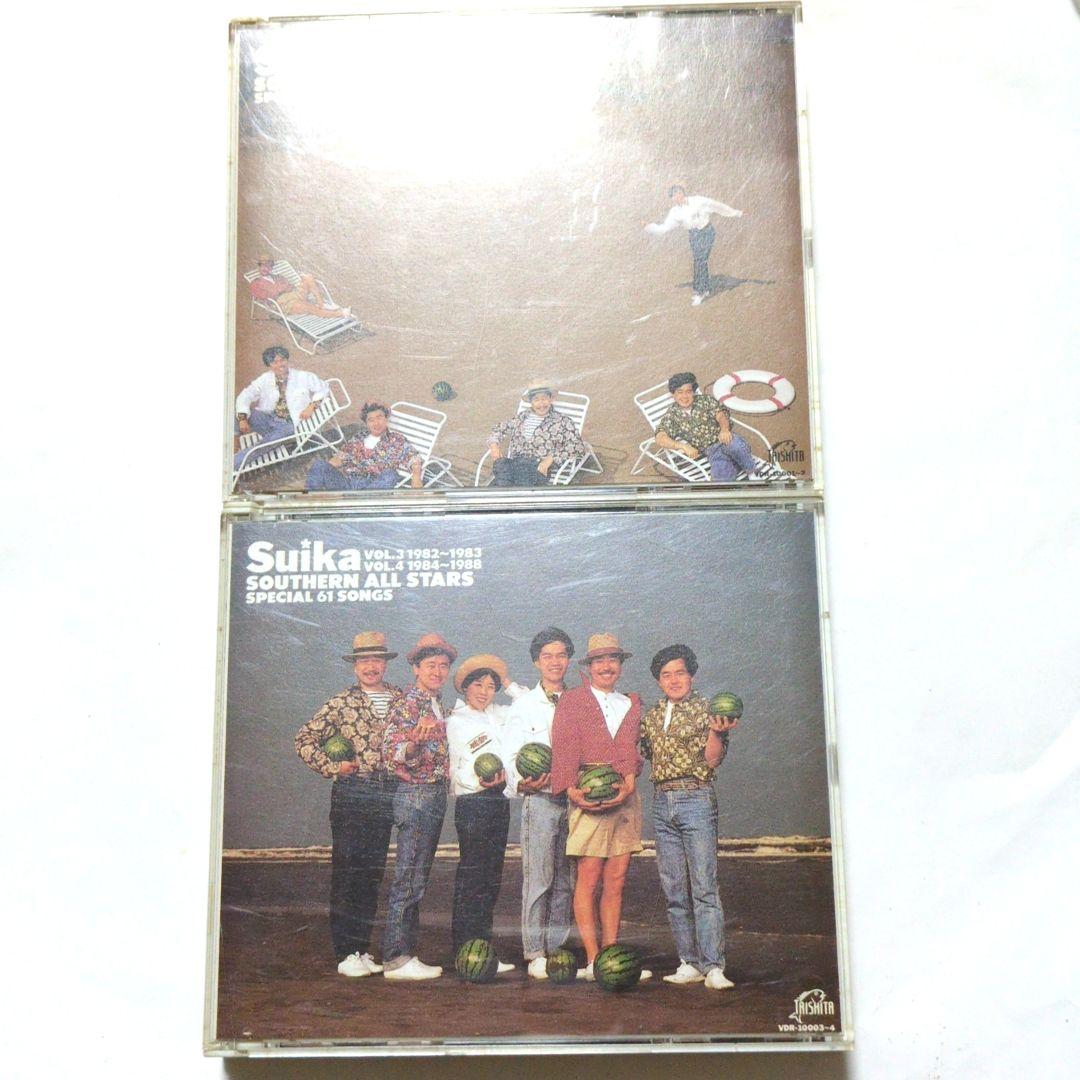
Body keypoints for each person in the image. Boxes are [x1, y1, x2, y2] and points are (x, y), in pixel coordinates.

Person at [294, 632, 404, 977]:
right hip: (353, 793)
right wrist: (332, 766)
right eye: (364, 661)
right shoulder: (341, 702)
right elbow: (304, 739)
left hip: (387, 793)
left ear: (385, 663)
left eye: (377, 660)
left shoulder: (400, 699)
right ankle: (346, 953)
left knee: (372, 874)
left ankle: (362, 948)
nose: (371, 667)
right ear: (355, 666)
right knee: (348, 873)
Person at [550, 634, 650, 982]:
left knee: (616, 880)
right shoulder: (573, 700)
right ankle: (593, 960)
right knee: (588, 879)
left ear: (620, 665)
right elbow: (563, 747)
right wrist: (571, 790)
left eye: (613, 660)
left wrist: (630, 781)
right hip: (588, 793)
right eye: (600, 661)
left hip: (624, 795)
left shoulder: (631, 703)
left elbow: (631, 751)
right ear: (589, 667)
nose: (607, 666)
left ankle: (611, 956)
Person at [640, 645, 739, 992]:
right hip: (661, 802)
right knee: (674, 890)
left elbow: (712, 761)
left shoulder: (709, 710)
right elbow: (643, 754)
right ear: (659, 681)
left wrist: (718, 731)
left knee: (704, 887)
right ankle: (689, 962)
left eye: (680, 673)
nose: (673, 680)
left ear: (691, 675)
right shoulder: (652, 716)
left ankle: (714, 966)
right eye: (666, 675)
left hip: (695, 798)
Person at [379, 633, 458, 980]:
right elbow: (391, 752)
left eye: (443, 665)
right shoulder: (408, 704)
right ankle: (396, 958)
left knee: (416, 877)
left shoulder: (438, 704)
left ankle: (405, 954)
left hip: (434, 795)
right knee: (409, 878)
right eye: (430, 665)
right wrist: (412, 744)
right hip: (416, 795)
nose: (437, 671)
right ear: (415, 668)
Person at [502, 627, 577, 979]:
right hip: (541, 801)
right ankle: (534, 953)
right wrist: (522, 782)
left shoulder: (579, 701)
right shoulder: (523, 705)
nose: (554, 662)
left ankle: (556, 948)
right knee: (540, 879)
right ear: (536, 662)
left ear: (569, 659)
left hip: (576, 802)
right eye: (547, 656)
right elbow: (511, 755)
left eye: (561, 655)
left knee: (566, 881)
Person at [446, 654, 517, 972]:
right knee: (473, 878)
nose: (485, 692)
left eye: (491, 686)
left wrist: (508, 683)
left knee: (491, 878)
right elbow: (454, 770)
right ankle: (465, 950)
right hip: (473, 803)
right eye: (478, 685)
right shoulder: (455, 721)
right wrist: (480, 780)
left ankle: (482, 949)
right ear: (465, 687)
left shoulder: (500, 713)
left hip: (498, 800)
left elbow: (528, 704)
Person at [234, 346, 331, 470]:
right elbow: (246, 395)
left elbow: (324, 388)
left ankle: (233, 464)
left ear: (287, 360)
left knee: (262, 446)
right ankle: (233, 447)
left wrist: (312, 406)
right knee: (236, 413)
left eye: (282, 360)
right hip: (269, 420)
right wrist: (242, 418)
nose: (280, 364)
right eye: (275, 362)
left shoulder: (302, 376)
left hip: (289, 426)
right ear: (269, 365)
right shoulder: (265, 378)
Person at [645, 185, 743, 305]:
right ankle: (704, 289)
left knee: (700, 260)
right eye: (673, 195)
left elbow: (717, 206)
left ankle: (699, 292)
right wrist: (649, 227)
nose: (677, 197)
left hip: (707, 232)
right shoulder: (674, 212)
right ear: (672, 199)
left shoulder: (698, 201)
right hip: (694, 236)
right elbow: (664, 228)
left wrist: (737, 213)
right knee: (699, 260)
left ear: (683, 193)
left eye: (678, 193)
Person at [655, 370, 759, 482]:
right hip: (712, 452)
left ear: (693, 392)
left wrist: (724, 430)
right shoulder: (672, 416)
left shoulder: (704, 401)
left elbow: (721, 415)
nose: (684, 396)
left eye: (688, 391)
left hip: (725, 439)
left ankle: (752, 473)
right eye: (680, 392)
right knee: (720, 480)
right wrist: (683, 446)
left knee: (736, 446)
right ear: (673, 394)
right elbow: (660, 437)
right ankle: (736, 464)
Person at [485, 382, 587, 487]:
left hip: (536, 468)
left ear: (551, 399)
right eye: (536, 400)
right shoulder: (522, 417)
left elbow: (577, 445)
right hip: (514, 464)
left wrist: (549, 460)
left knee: (503, 484)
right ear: (531, 402)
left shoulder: (562, 421)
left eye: (544, 399)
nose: (541, 404)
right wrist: (494, 445)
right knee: (501, 465)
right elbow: (499, 428)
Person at [306, 401, 423, 491]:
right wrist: (323, 471)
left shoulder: (396, 439)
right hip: (348, 483)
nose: (376, 423)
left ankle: (359, 503)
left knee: (391, 474)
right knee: (319, 464)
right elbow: (339, 459)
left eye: (379, 417)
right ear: (366, 424)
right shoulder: (358, 438)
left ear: (386, 419)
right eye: (371, 420)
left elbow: (414, 458)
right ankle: (310, 504)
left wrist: (416, 478)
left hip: (374, 485)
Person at [249, 255, 351, 319]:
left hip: (294, 294)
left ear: (271, 268)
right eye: (263, 266)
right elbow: (266, 297)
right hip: (285, 303)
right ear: (259, 267)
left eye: (268, 266)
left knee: (308, 277)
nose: (265, 268)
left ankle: (321, 303)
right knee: (311, 308)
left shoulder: (278, 277)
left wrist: (282, 289)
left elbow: (290, 286)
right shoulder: (256, 283)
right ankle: (341, 314)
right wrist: (281, 290)